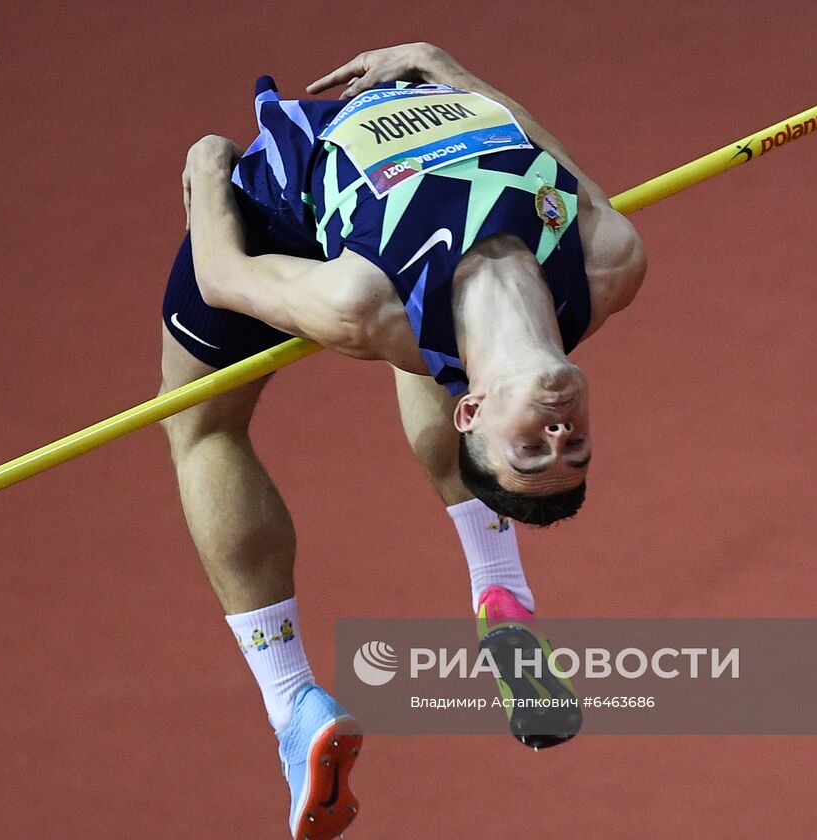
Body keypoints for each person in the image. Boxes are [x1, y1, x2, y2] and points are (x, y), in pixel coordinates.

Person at [160, 42, 646, 839]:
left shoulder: (362, 303)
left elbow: (224, 275)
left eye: (533, 452)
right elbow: (549, 160)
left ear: (473, 414)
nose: (559, 436)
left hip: (280, 211)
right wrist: (442, 66)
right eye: (576, 449)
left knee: (202, 426)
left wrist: (207, 167)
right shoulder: (609, 263)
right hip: (421, 162)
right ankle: (504, 602)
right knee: (445, 336)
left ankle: (292, 708)